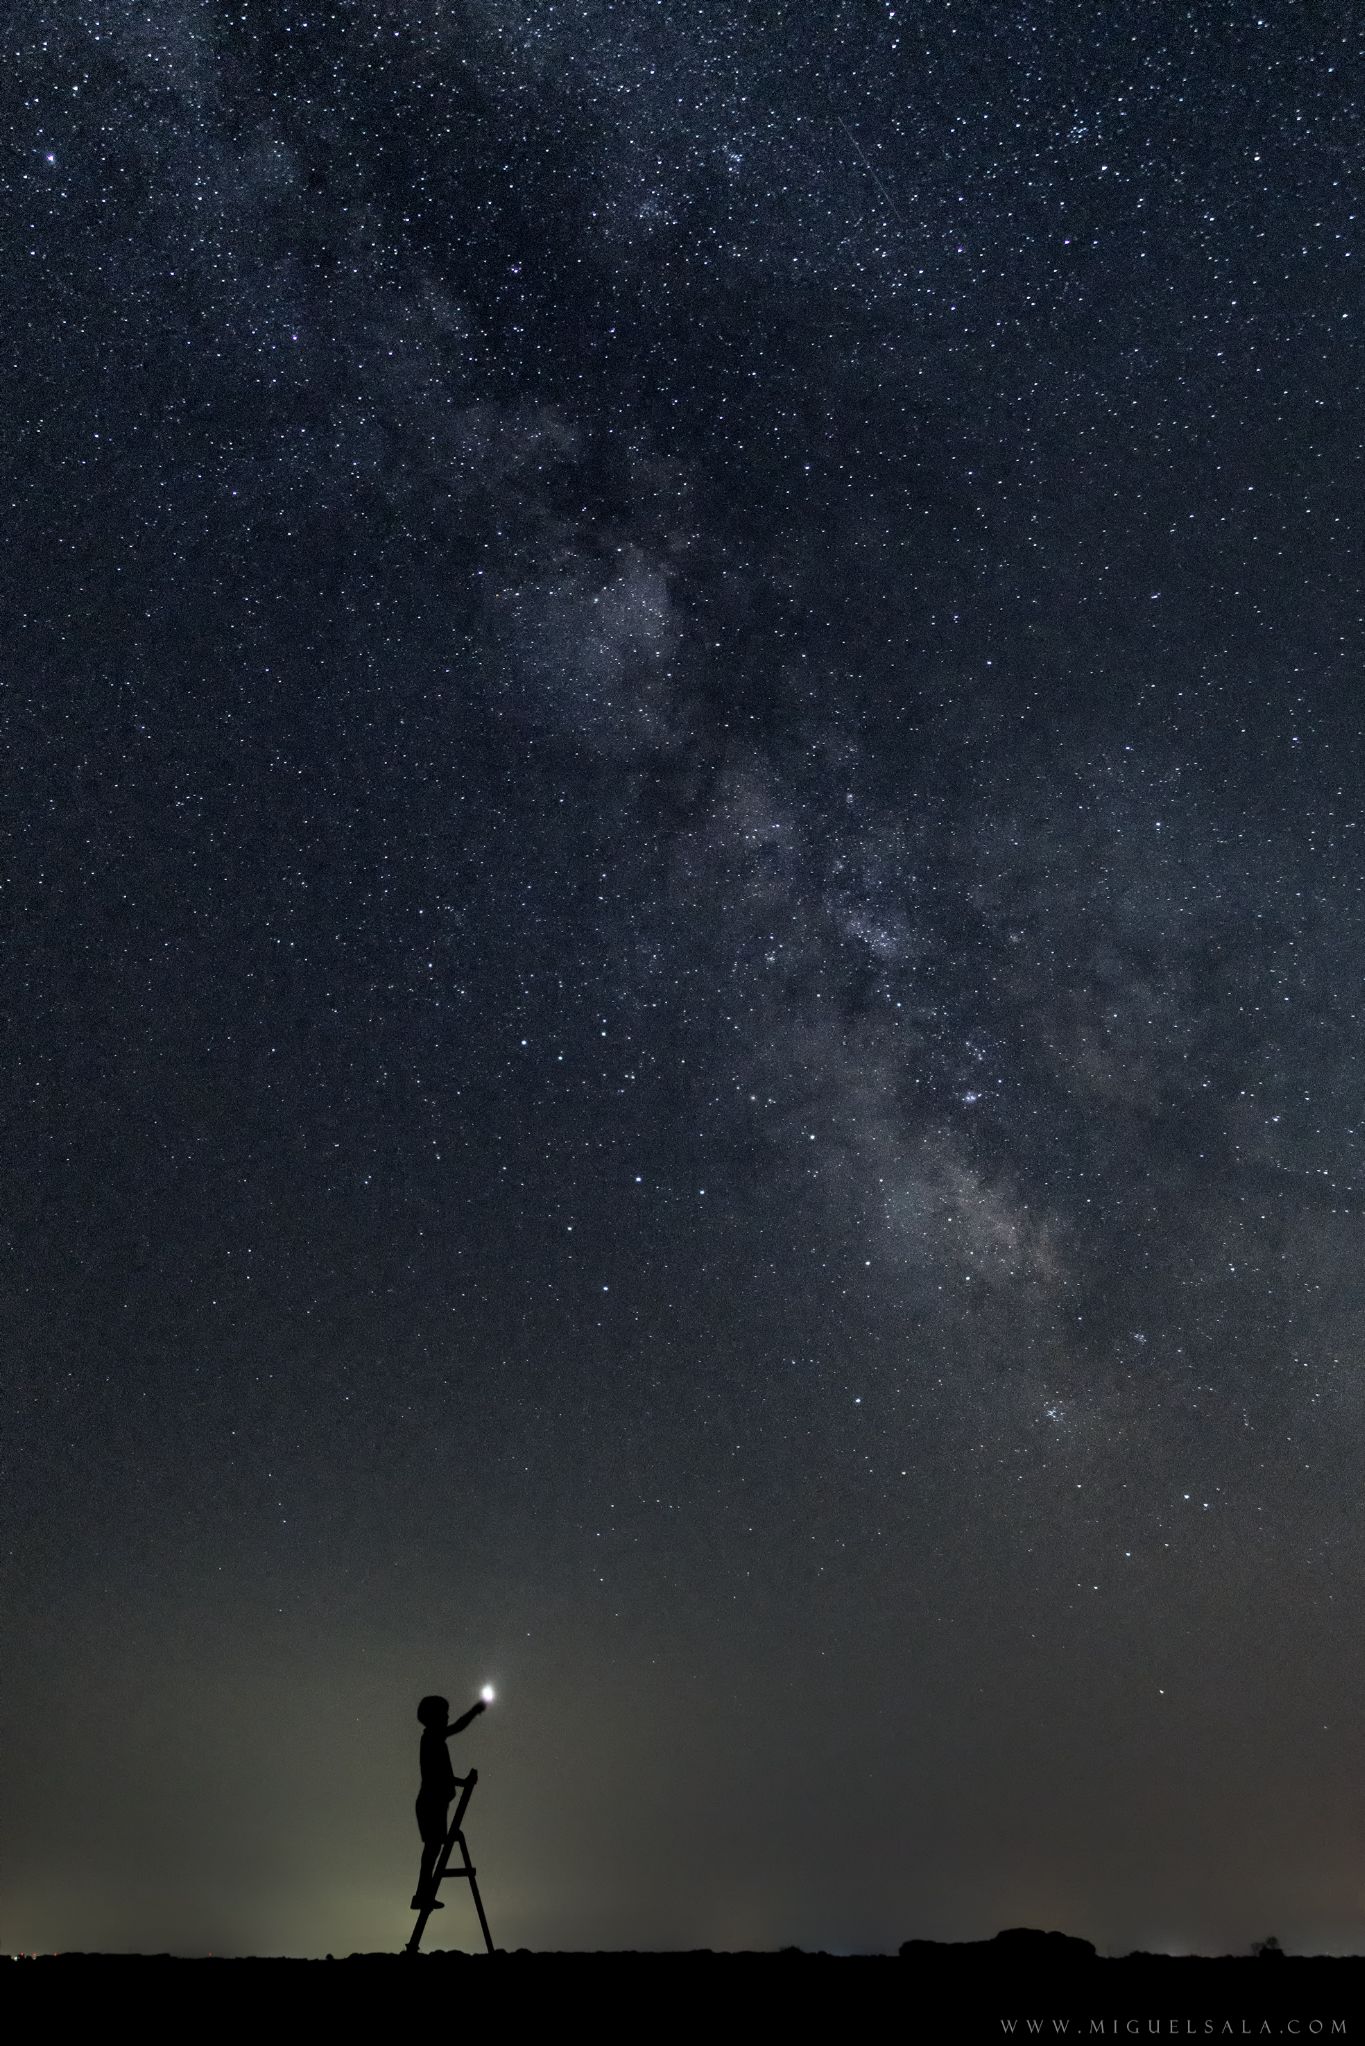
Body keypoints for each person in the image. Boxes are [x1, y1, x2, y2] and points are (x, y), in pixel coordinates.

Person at [412, 1693, 487, 1909]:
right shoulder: (432, 1738)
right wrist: (475, 1711)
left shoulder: (434, 1740)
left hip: (436, 1802)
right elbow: (456, 1728)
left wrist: (461, 1783)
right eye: (443, 1713)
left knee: (433, 1850)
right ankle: (422, 1895)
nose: (447, 1717)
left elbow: (441, 1774)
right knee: (432, 1849)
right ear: (433, 1717)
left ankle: (423, 1894)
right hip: (431, 1803)